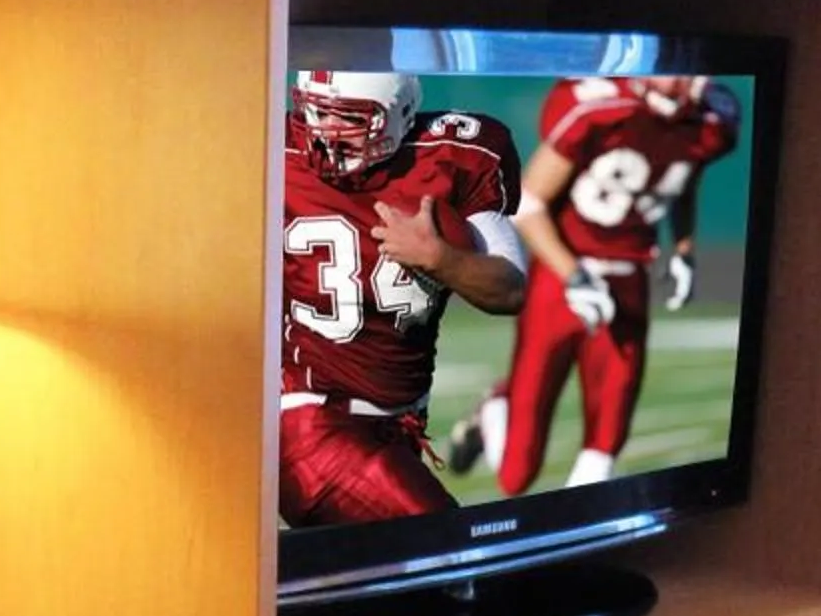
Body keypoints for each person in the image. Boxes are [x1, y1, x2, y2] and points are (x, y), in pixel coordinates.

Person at [450, 74, 740, 494]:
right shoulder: (598, 108)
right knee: (516, 477)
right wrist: (575, 276)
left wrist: (683, 248)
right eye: (679, 68)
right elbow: (528, 203)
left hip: (628, 278)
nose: (695, 78)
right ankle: (498, 406)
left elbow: (683, 177)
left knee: (605, 447)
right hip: (562, 276)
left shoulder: (715, 118)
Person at [278, 70, 527, 527]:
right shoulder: (273, 154)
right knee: (446, 551)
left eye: (349, 118)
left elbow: (510, 288)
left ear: (400, 114)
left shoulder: (453, 157)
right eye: (317, 112)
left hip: (396, 425)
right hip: (310, 422)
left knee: (386, 586)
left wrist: (441, 260)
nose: (326, 133)